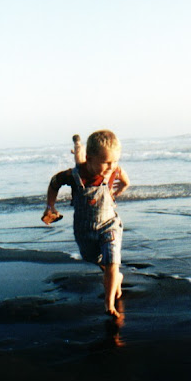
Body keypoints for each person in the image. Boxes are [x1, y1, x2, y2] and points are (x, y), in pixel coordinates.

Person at [43, 130, 131, 317]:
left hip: (109, 225)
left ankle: (109, 304)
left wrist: (120, 189)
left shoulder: (112, 170)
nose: (112, 166)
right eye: (106, 162)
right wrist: (50, 206)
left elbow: (124, 179)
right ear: (90, 159)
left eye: (115, 161)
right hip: (85, 229)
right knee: (94, 258)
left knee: (112, 261)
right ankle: (77, 145)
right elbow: (54, 182)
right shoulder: (76, 175)